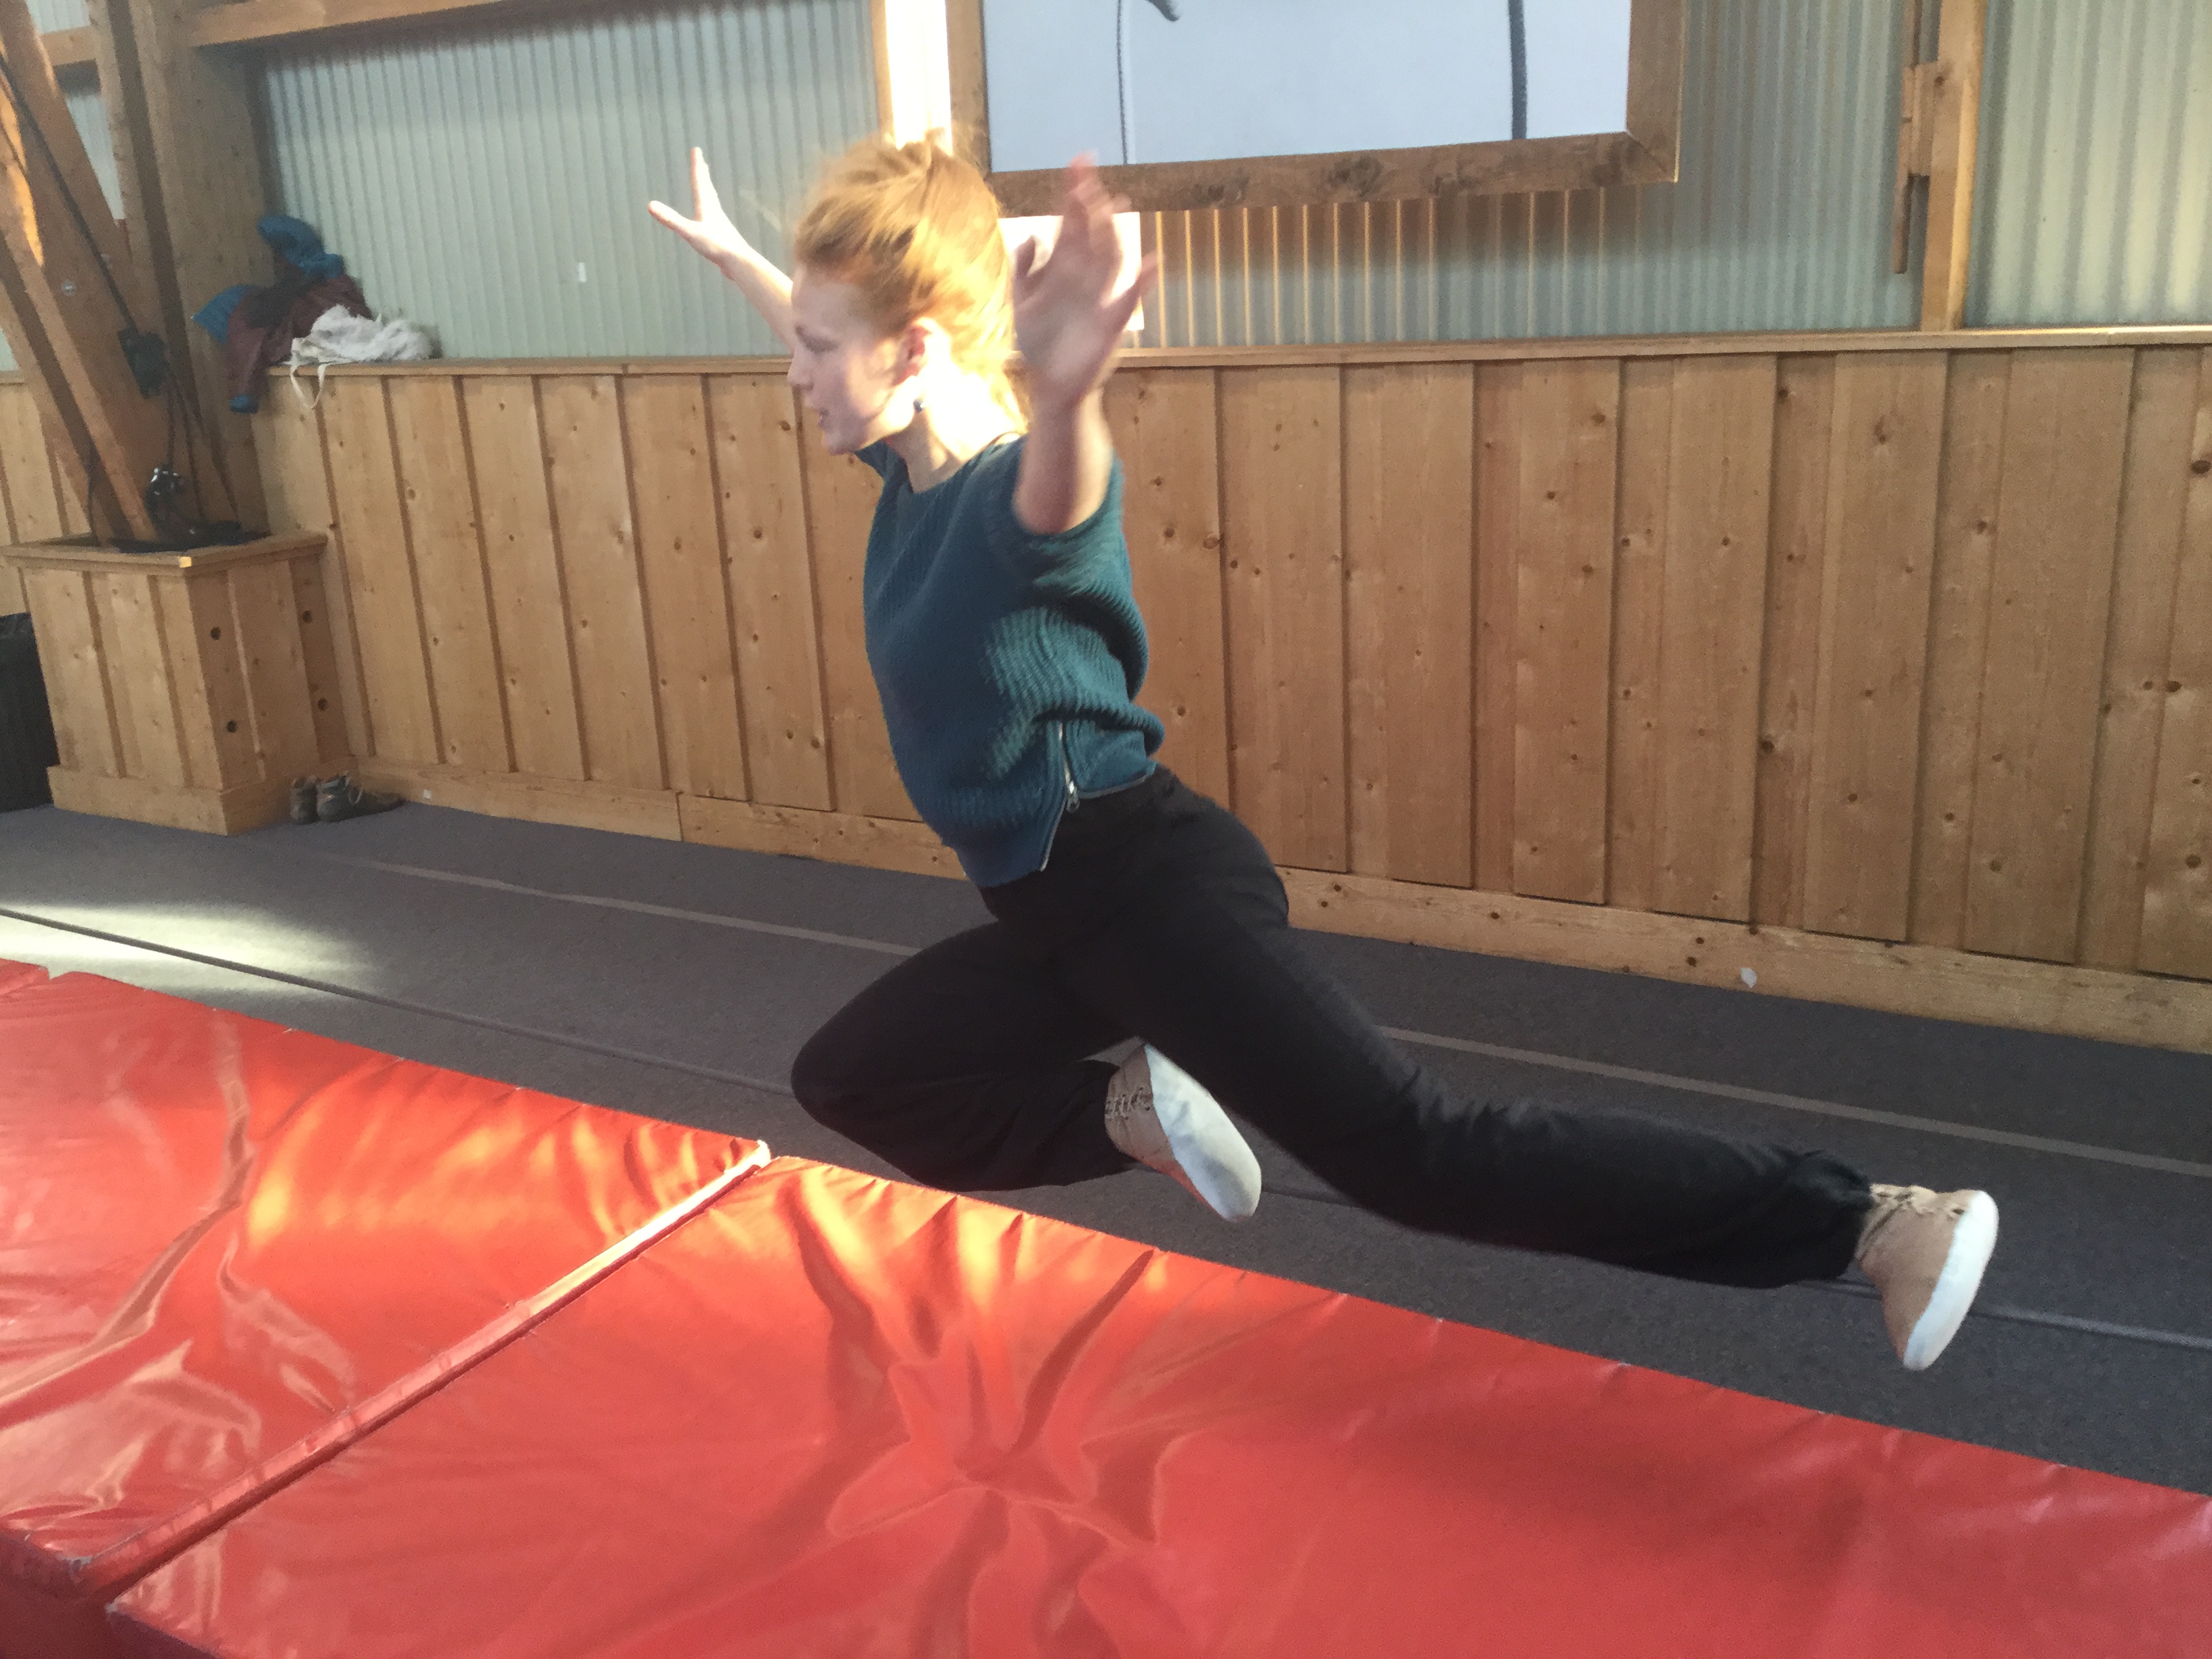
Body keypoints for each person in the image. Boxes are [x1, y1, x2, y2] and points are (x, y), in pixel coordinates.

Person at [649, 137, 1999, 1372]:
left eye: (814, 348)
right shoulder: (913, 470)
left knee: (1424, 1157)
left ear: (917, 349)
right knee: (856, 1076)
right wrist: (742, 265)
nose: (794, 371)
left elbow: (1064, 482)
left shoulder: (1012, 493)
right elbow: (851, 349)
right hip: (1056, 919)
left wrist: (1069, 396)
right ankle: (1130, 1108)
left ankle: (1876, 1223)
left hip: (1146, 890)